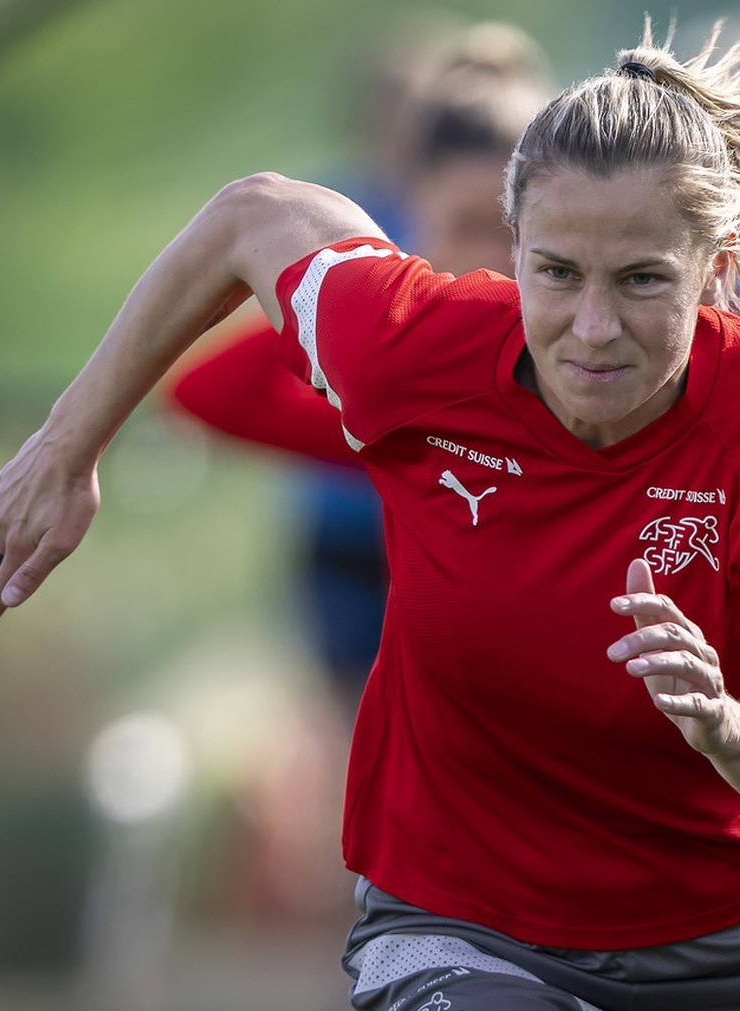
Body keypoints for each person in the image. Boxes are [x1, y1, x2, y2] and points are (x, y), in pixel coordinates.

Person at [0, 24, 740, 1011]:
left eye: (641, 280)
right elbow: (252, 215)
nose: (592, 328)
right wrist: (68, 446)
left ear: (713, 266)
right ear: (513, 245)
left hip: (735, 953)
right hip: (466, 925)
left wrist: (730, 729)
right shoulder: (415, 343)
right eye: (555, 273)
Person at [167, 22, 554, 710]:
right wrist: (363, 333)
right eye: (468, 226)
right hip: (355, 545)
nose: (496, 265)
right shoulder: (358, 240)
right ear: (416, 199)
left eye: (515, 233)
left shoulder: (597, 362)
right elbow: (206, 391)